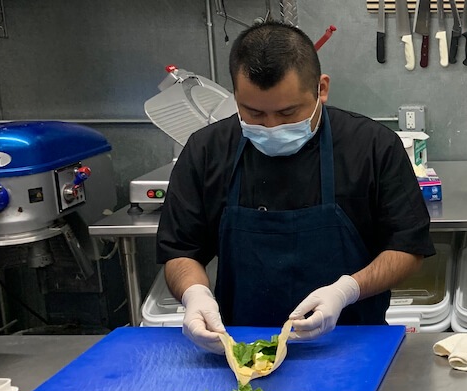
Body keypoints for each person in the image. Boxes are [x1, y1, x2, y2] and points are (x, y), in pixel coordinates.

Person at [157, 22, 434, 353]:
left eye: (288, 112)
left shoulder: (373, 147)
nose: (271, 126)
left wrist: (346, 290)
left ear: (322, 88)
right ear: (236, 97)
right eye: (254, 113)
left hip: (352, 344)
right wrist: (195, 295)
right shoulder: (207, 150)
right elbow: (180, 251)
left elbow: (408, 247)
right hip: (242, 347)